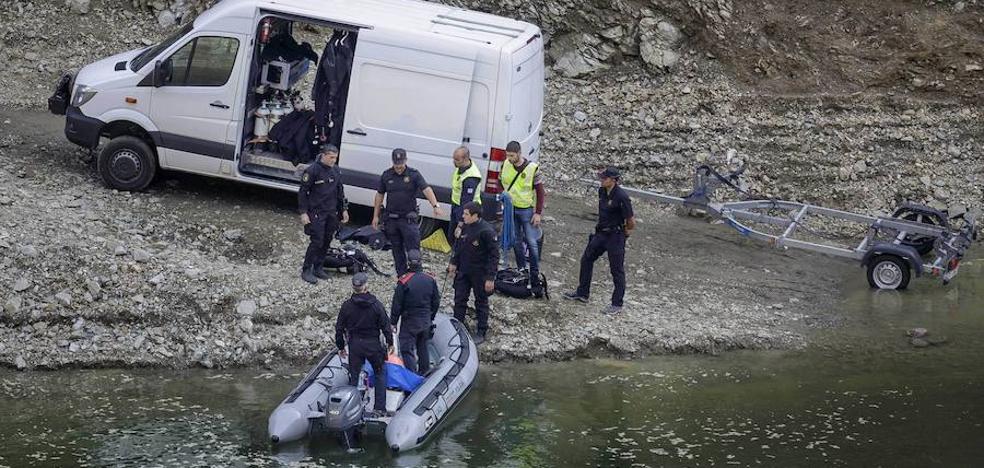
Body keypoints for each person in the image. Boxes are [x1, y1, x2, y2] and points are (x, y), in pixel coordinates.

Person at [563, 167, 635, 315]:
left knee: (616, 270)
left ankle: (617, 304)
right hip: (601, 233)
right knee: (586, 259)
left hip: (615, 235)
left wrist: (625, 233)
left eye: (604, 178)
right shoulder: (602, 191)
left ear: (613, 180)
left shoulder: (622, 197)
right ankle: (582, 293)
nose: (601, 180)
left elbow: (631, 221)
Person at [372, 148, 445, 276]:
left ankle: (416, 276)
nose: (398, 168)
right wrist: (375, 216)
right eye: (396, 165)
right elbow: (379, 195)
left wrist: (435, 205)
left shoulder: (413, 174)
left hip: (408, 219)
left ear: (405, 160)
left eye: (400, 165)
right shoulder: (387, 175)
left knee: (413, 250)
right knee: (397, 250)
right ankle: (401, 276)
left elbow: (426, 189)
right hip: (392, 219)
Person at [335, 272, 394, 417]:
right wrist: (390, 342)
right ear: (366, 286)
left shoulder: (346, 306)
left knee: (354, 376)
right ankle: (379, 408)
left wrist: (341, 346)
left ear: (353, 287)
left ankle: (352, 408)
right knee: (380, 373)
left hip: (355, 345)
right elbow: (386, 325)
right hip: (373, 344)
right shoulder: (376, 305)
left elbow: (339, 328)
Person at [448, 202, 499, 344]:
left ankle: (481, 331)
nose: (463, 216)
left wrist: (490, 278)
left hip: (480, 273)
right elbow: (459, 246)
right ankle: (457, 326)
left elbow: (494, 256)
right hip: (464, 270)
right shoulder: (465, 226)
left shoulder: (487, 231)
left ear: (475, 215)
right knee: (459, 298)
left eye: (466, 214)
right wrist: (453, 262)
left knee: (481, 301)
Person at [298, 144, 349, 284]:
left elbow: (340, 191)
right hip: (316, 212)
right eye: (331, 157)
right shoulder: (312, 170)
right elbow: (303, 192)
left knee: (327, 240)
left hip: (331, 212)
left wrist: (344, 209)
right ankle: (306, 269)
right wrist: (303, 213)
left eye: (335, 158)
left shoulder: (336, 170)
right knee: (317, 241)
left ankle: (318, 267)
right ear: (323, 155)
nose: (333, 160)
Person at [500, 140, 546, 288]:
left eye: (512, 156)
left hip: (526, 209)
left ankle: (534, 274)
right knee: (515, 240)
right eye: (507, 155)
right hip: (511, 209)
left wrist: (538, 213)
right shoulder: (505, 164)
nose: (509, 158)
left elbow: (540, 192)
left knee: (531, 242)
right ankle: (522, 269)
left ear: (519, 153)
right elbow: (501, 181)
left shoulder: (532, 169)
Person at [389, 249, 440, 375]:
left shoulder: (404, 281)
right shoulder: (430, 279)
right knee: (423, 346)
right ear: (421, 262)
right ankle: (425, 371)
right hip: (425, 319)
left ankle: (411, 375)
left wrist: (393, 322)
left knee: (406, 349)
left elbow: (397, 304)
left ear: (408, 263)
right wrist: (431, 316)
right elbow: (436, 301)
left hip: (410, 321)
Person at [449, 146, 483, 239]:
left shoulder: (471, 177)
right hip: (456, 205)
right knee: (451, 236)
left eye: (457, 160)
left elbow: (467, 201)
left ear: (465, 159)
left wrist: (460, 224)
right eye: (454, 159)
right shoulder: (461, 166)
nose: (454, 162)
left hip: (469, 211)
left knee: (460, 238)